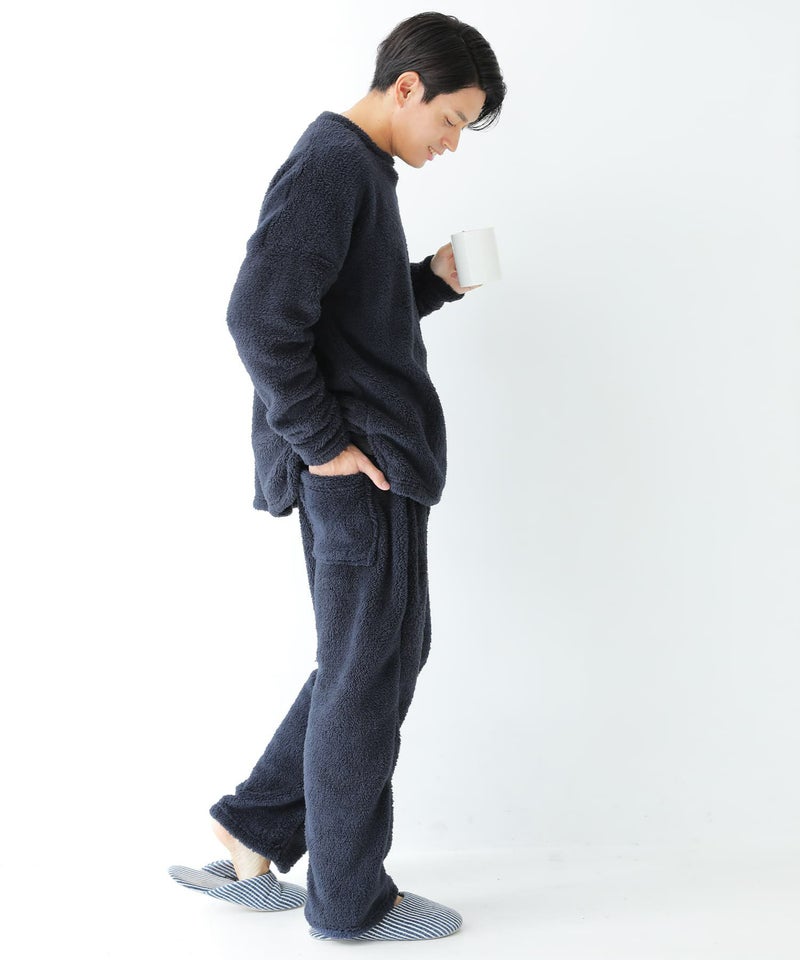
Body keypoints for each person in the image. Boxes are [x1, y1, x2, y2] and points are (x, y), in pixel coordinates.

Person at [168, 11, 506, 942]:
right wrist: (320, 444)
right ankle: (350, 902)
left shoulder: (357, 169)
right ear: (407, 87)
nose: (450, 143)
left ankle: (252, 831)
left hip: (374, 466)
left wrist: (432, 280)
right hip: (358, 468)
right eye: (451, 120)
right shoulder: (332, 165)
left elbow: (345, 316)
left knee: (380, 658)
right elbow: (258, 315)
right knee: (366, 674)